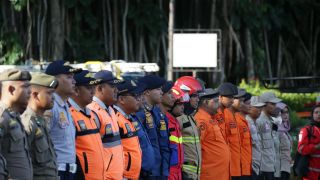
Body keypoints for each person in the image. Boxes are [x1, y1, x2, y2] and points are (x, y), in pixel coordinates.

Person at [45, 60, 82, 179]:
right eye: (69, 77)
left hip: (68, 171)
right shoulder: (50, 106)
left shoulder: (64, 105)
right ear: (55, 80)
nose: (74, 81)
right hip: (56, 171)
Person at [68, 70, 108, 179]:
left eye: (93, 88)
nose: (93, 92)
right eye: (88, 88)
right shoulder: (69, 115)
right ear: (76, 90)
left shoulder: (92, 114)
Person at [21, 72, 59, 179]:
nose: (53, 98)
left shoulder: (40, 120)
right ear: (35, 95)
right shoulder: (27, 121)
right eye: (49, 93)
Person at [88, 70, 124, 180]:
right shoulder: (93, 112)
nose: (116, 90)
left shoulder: (110, 109)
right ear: (99, 89)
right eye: (112, 86)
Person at [0, 69, 33, 179]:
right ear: (11, 89)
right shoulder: (2, 116)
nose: (30, 91)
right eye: (25, 87)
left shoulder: (13, 116)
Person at [136, 75, 170, 179]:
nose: (161, 92)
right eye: (158, 89)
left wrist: (164, 172)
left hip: (160, 172)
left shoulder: (158, 113)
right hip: (146, 173)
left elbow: (164, 145)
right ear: (147, 92)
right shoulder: (139, 113)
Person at [194, 88, 230, 180]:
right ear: (206, 102)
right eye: (216, 101)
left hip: (219, 174)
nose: (219, 104)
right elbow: (196, 149)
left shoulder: (211, 118)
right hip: (210, 174)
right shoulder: (200, 120)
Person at [114, 80, 143, 180]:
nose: (139, 99)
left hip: (132, 175)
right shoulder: (115, 119)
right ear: (121, 99)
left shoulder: (127, 117)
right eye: (135, 96)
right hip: (122, 176)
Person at [175, 77, 202, 180]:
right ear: (185, 95)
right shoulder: (177, 119)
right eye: (194, 96)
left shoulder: (190, 118)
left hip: (194, 174)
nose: (198, 99)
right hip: (184, 174)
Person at [160, 83, 185, 180]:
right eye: (179, 104)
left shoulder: (174, 121)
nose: (173, 98)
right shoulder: (163, 119)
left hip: (177, 171)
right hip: (169, 171)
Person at [256, 92, 282, 180]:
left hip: (272, 167)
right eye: (272, 104)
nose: (275, 106)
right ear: (264, 104)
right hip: (263, 169)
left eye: (276, 104)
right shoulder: (259, 121)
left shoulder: (271, 121)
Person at [231, 88, 252, 179]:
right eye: (241, 100)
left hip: (245, 167)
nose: (242, 103)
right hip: (238, 169)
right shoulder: (235, 120)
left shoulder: (241, 120)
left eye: (243, 101)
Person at [298, 104, 320, 180]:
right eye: (316, 112)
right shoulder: (306, 130)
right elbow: (301, 149)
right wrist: (316, 147)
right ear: (312, 115)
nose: (319, 114)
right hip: (310, 176)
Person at [245, 96, 265, 179]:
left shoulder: (256, 123)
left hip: (257, 167)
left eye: (261, 108)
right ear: (250, 107)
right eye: (257, 107)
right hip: (250, 167)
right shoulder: (246, 123)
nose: (260, 110)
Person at [273, 102, 292, 180]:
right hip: (279, 170)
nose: (285, 115)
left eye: (287, 112)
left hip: (286, 167)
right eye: (282, 112)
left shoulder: (285, 130)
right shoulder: (276, 130)